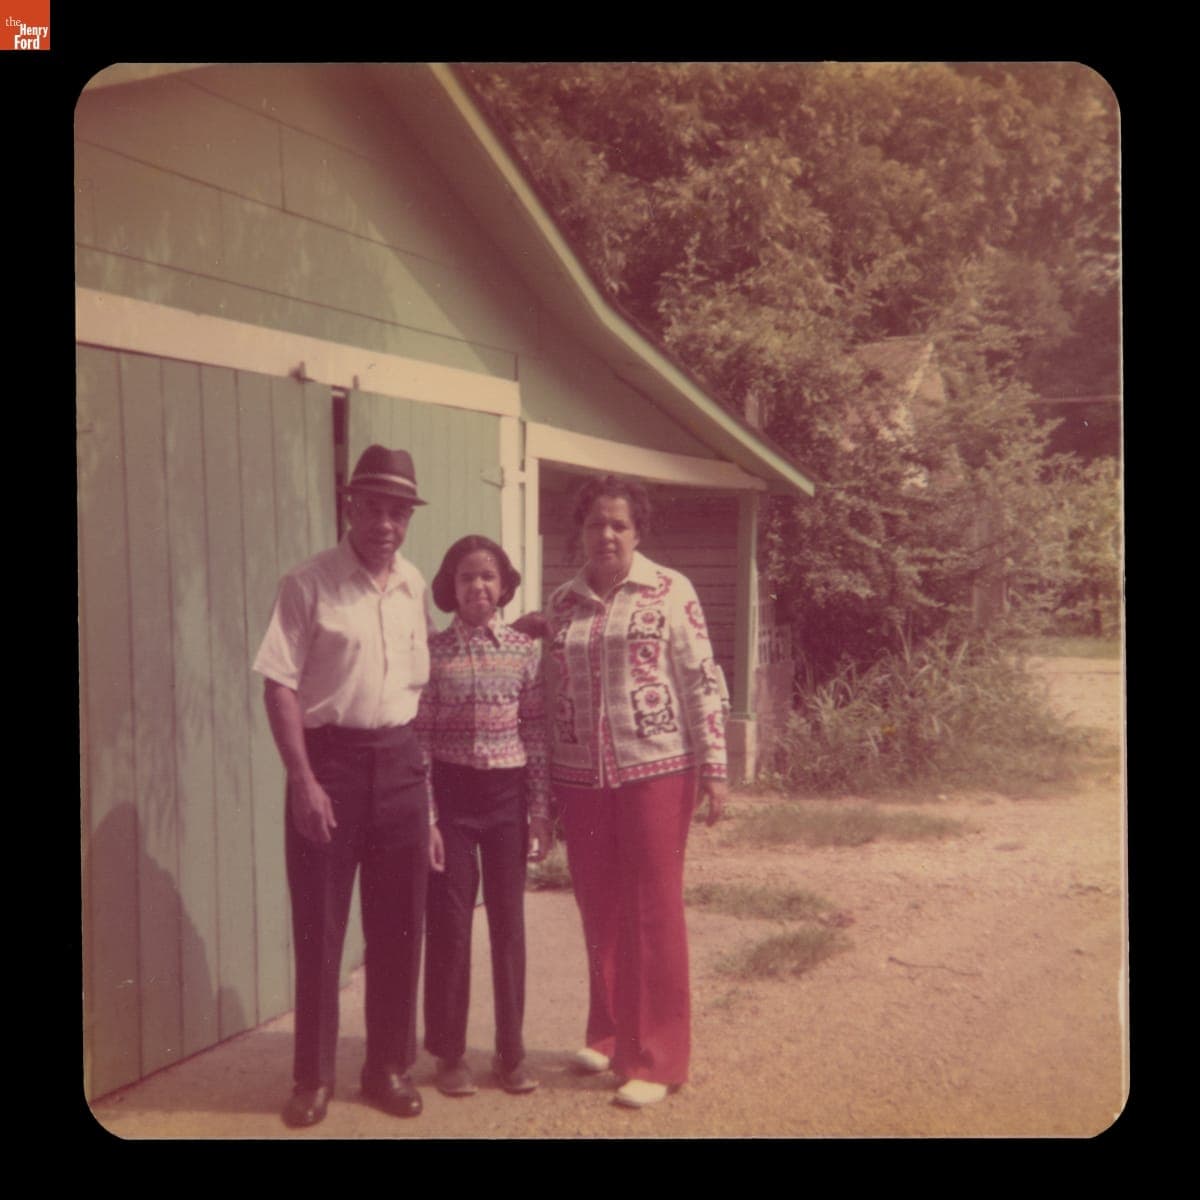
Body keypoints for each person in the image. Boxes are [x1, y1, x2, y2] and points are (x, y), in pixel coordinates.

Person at [253, 444, 444, 1128]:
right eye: (374, 508)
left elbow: (416, 694)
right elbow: (279, 683)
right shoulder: (307, 583)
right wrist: (302, 779)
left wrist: (424, 805)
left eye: (398, 511)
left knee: (399, 928)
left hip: (399, 765)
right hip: (328, 766)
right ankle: (312, 1078)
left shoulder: (414, 584)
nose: (386, 524)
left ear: (408, 518)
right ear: (350, 507)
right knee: (321, 928)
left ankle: (387, 1068)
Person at [540, 474, 728, 1108]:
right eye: (596, 524)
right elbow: (547, 695)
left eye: (619, 524)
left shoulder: (672, 591)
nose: (608, 535)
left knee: (652, 909)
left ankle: (658, 1057)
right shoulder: (562, 603)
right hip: (580, 775)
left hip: (658, 768)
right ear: (582, 531)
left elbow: (702, 678)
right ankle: (611, 1032)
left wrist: (716, 767)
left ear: (638, 530)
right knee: (598, 907)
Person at [416, 535, 552, 1098]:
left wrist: (540, 812)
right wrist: (426, 817)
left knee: (508, 925)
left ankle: (511, 1054)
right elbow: (418, 739)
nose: (478, 587)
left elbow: (536, 733)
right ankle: (450, 1055)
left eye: (489, 577)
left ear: (504, 587)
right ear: (450, 587)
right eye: (467, 577)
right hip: (450, 799)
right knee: (449, 926)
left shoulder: (523, 651)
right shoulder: (432, 651)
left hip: (506, 800)